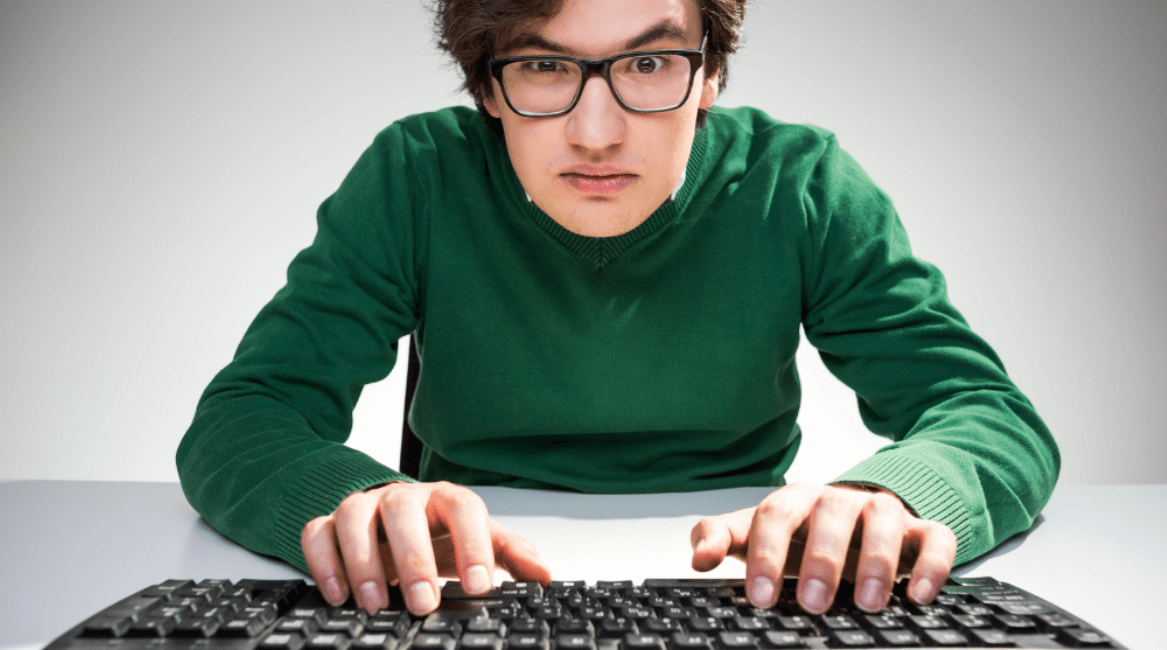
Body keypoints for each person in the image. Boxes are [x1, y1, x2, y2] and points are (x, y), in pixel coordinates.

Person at [176, 0, 1059, 620]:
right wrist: (354, 497)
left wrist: (888, 495)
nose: (596, 131)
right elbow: (246, 417)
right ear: (486, 89)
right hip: (461, 592)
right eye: (544, 66)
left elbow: (989, 417)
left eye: (647, 62)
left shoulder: (801, 182)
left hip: (738, 590)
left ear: (709, 73)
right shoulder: (418, 175)